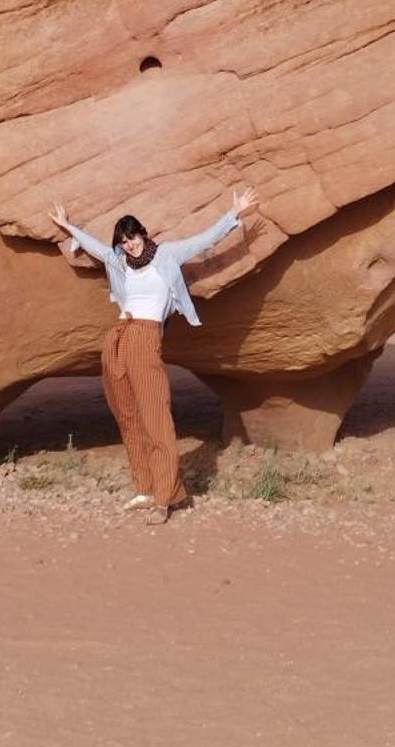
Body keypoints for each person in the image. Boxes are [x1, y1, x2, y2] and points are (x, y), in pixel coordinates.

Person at [48, 187, 258, 524]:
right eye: (124, 240)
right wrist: (68, 227)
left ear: (143, 234)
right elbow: (99, 250)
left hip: (146, 338)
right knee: (128, 416)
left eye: (133, 237)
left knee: (156, 417)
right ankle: (145, 488)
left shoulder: (168, 255)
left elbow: (203, 240)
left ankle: (165, 498)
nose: (129, 244)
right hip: (119, 336)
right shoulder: (119, 261)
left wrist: (233, 214)